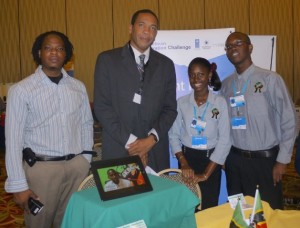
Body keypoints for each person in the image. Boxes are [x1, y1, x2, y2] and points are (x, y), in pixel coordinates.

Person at [4, 31, 94, 227]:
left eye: (60, 48)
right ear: (39, 52)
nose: (54, 52)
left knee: (70, 222)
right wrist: (18, 185)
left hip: (75, 168)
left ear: (67, 54)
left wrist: (85, 159)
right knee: (39, 223)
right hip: (42, 171)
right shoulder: (21, 90)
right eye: (48, 48)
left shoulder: (78, 87)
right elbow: (13, 140)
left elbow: (86, 124)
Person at [221, 31, 297, 209]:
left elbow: (290, 120)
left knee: (268, 213)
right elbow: (223, 126)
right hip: (235, 161)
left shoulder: (270, 79)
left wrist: (282, 160)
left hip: (265, 162)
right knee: (239, 212)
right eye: (229, 46)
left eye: (238, 43)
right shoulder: (226, 85)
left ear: (250, 47)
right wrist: (224, 157)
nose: (233, 48)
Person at [93, 9, 177, 172]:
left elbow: (170, 109)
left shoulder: (166, 65)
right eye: (142, 25)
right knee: (121, 197)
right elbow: (102, 107)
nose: (147, 31)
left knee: (157, 197)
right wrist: (134, 143)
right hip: (119, 149)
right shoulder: (108, 60)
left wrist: (150, 140)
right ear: (130, 28)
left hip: (155, 152)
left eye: (153, 28)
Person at [169, 57, 231, 210]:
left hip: (211, 161)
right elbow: (173, 134)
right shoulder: (181, 103)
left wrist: (205, 175)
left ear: (209, 75)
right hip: (186, 161)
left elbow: (225, 140)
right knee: (187, 208)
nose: (195, 79)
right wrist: (183, 163)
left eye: (200, 74)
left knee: (208, 208)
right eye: (191, 75)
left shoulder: (220, 103)